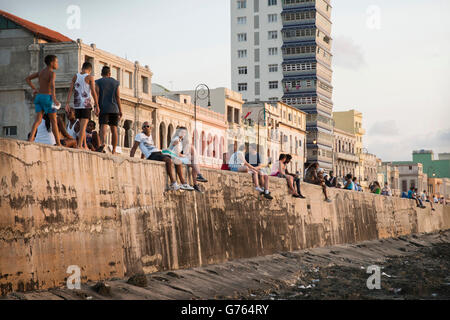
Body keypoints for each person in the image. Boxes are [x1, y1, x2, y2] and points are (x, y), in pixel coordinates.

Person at [130, 121, 183, 191]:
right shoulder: (139, 136)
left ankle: (183, 183)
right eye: (144, 127)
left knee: (177, 159)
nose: (146, 128)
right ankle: (173, 183)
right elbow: (134, 148)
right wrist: (131, 160)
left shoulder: (150, 136)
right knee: (168, 160)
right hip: (152, 155)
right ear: (142, 128)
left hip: (158, 152)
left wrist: (142, 158)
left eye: (147, 126)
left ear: (150, 128)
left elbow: (145, 147)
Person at [26, 55, 62, 146]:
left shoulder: (41, 72)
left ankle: (30, 139)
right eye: (56, 62)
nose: (57, 64)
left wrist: (34, 89)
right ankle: (58, 143)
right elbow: (52, 85)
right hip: (48, 98)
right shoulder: (52, 73)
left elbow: (28, 79)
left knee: (38, 120)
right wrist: (54, 98)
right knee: (54, 121)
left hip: (39, 97)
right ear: (51, 63)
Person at [65, 62, 99, 150]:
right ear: (90, 70)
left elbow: (70, 90)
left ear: (82, 68)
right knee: (83, 126)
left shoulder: (75, 76)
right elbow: (93, 92)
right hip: (86, 104)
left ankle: (85, 145)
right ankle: (80, 145)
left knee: (81, 126)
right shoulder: (89, 77)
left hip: (77, 104)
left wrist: (67, 103)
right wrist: (97, 105)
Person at [163, 127, 206, 193]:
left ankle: (196, 181)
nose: (183, 134)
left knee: (194, 163)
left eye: (184, 133)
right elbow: (177, 154)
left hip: (177, 156)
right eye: (182, 132)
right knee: (194, 162)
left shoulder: (180, 140)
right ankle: (197, 178)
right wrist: (185, 156)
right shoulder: (176, 139)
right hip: (173, 156)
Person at [95, 66, 122, 154]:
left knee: (103, 127)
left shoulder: (99, 82)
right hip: (114, 108)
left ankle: (102, 145)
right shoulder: (115, 82)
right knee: (114, 129)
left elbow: (97, 94)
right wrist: (120, 110)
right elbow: (118, 97)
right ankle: (114, 150)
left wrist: (96, 106)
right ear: (109, 74)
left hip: (103, 107)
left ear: (102, 73)